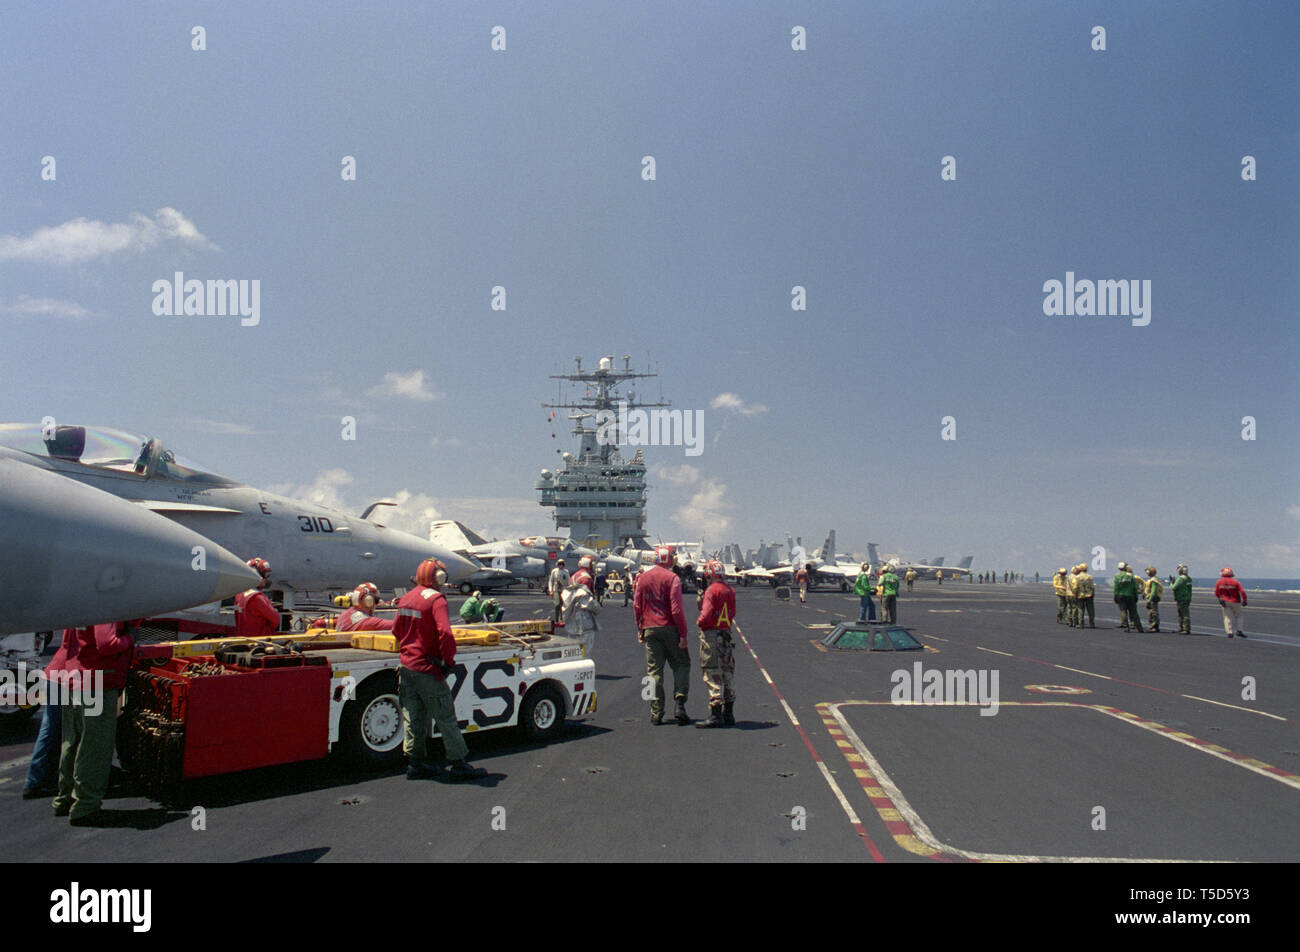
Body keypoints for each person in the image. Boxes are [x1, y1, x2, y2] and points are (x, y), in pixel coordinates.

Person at [393, 559, 486, 781]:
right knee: (445, 716)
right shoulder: (436, 599)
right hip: (427, 668)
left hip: (406, 667)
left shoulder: (406, 598)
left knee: (413, 716)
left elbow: (397, 630)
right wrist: (447, 662)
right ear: (439, 578)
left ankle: (415, 763)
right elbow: (445, 633)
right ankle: (458, 764)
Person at [51, 620, 135, 825]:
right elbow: (107, 644)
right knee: (95, 745)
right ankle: (85, 807)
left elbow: (67, 641)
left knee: (72, 741)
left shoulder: (80, 602)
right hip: (97, 680)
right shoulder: (105, 605)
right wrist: (131, 637)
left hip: (75, 675)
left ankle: (65, 799)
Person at [634, 546, 690, 725]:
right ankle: (680, 702)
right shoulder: (673, 578)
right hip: (670, 627)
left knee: (653, 672)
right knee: (681, 664)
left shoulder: (642, 578)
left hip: (649, 628)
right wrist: (683, 633)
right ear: (669, 560)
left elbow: (637, 606)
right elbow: (676, 608)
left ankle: (655, 713)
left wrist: (639, 629)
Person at [22, 630, 71, 799]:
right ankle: (37, 781)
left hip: (55, 674)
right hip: (64, 676)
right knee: (53, 731)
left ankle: (38, 779)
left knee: (50, 730)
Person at [696, 560, 737, 728]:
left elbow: (705, 615)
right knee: (727, 671)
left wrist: (700, 623)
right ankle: (729, 713)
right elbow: (733, 612)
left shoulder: (711, 591)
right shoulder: (730, 590)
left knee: (712, 671)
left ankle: (715, 714)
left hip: (711, 634)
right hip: (726, 634)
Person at [235, 557, 279, 637]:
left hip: (243, 640)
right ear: (255, 574)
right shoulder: (258, 598)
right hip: (260, 641)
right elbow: (276, 620)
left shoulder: (239, 595)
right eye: (265, 574)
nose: (266, 578)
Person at [561, 572, 600, 654]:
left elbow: (565, 612)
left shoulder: (567, 592)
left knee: (572, 652)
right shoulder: (583, 593)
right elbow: (596, 609)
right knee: (585, 652)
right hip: (584, 626)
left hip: (571, 626)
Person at [1213, 567, 1247, 639]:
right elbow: (1242, 591)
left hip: (1225, 601)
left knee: (1227, 617)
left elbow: (1216, 592)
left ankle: (1229, 632)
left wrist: (1220, 599)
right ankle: (1239, 630)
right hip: (1236, 601)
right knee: (1239, 616)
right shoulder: (1235, 582)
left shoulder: (1219, 582)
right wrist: (1245, 600)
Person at [1112, 562, 1144, 632]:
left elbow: (1115, 588)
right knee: (1134, 612)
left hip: (1120, 595)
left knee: (1123, 611)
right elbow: (1134, 587)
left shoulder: (1117, 576)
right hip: (1130, 595)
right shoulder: (1131, 576)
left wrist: (1115, 596)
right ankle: (1140, 628)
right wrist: (1136, 596)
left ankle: (1126, 627)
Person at [1172, 564, 1193, 634]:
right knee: (1183, 613)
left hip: (1181, 598)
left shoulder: (1180, 579)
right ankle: (1182, 628)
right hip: (1187, 598)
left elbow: (1174, 587)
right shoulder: (1189, 578)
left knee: (1183, 614)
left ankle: (1185, 628)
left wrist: (1171, 583)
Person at [547, 558, 570, 623]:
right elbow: (551, 581)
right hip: (556, 589)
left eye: (562, 564)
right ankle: (557, 619)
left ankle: (562, 619)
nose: (561, 565)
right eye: (559, 564)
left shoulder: (566, 571)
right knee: (557, 604)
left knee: (563, 605)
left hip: (563, 590)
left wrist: (569, 589)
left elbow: (568, 581)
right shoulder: (554, 571)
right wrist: (550, 590)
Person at [1076, 563, 1096, 628]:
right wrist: (1093, 593)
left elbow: (1075, 587)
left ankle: (1080, 623)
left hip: (1080, 595)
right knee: (1090, 610)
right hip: (1089, 595)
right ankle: (1092, 623)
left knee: (1080, 609)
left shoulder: (1077, 577)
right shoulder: (1089, 577)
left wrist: (1075, 594)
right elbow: (1092, 587)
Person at [1144, 566, 1163, 632]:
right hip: (1151, 597)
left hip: (1152, 598)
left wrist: (1149, 600)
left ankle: (1155, 626)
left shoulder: (1153, 580)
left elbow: (1153, 591)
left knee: (1153, 612)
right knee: (1151, 612)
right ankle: (1152, 626)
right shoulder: (1153, 579)